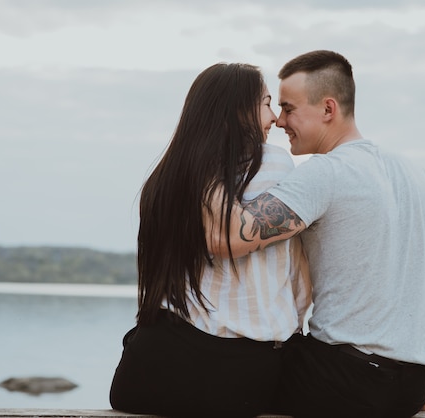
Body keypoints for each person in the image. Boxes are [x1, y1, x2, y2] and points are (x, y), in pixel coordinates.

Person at [207, 50, 425, 418]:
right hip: (411, 384)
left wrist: (203, 163)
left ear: (328, 109)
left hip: (339, 379)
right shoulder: (419, 178)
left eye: (289, 108)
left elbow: (226, 238)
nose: (279, 121)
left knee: (230, 373)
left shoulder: (324, 173)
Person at [109, 63, 311, 418]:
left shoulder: (165, 178)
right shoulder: (271, 163)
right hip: (234, 372)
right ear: (238, 110)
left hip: (150, 365)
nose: (275, 120)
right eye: (266, 104)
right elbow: (297, 287)